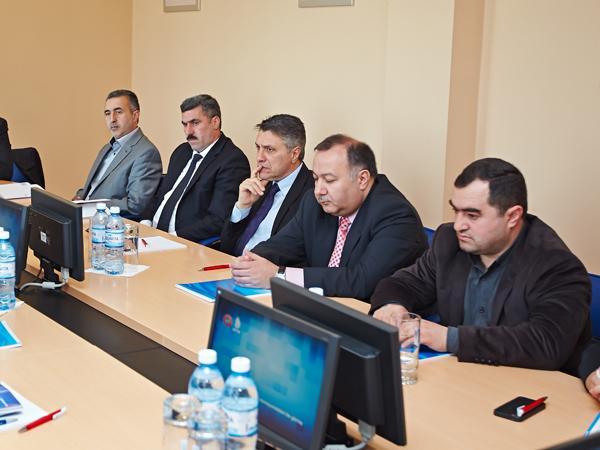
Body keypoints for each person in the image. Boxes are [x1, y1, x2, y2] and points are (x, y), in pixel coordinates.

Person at [371, 158, 591, 373]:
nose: (458, 225)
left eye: (472, 215)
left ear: (513, 216)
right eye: (456, 211)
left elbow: (545, 343)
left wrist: (448, 338)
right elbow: (405, 283)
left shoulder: (556, 265)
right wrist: (392, 306)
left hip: (521, 384)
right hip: (458, 375)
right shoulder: (449, 241)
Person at [230, 134, 427, 301]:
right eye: (316, 179)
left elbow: (361, 282)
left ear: (362, 179)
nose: (319, 190)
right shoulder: (314, 203)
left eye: (329, 180)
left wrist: (279, 275)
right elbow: (281, 246)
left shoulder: (396, 215)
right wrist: (250, 262)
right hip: (320, 306)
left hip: (368, 316)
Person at [142, 94, 250, 242]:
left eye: (195, 123)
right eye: (184, 124)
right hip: (151, 236)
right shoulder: (181, 152)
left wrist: (172, 238)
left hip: (184, 242)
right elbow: (161, 195)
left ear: (215, 122)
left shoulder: (232, 161)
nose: (189, 131)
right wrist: (145, 223)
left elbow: (217, 220)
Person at [220, 114, 314, 256]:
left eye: (269, 149)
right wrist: (243, 207)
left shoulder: (312, 192)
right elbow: (225, 247)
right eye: (258, 147)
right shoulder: (259, 185)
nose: (259, 158)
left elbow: (295, 253)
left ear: (294, 154)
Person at [74, 90, 162, 217]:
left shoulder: (147, 153)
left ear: (135, 115)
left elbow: (135, 205)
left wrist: (91, 207)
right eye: (107, 113)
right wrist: (79, 198)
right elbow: (94, 188)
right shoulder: (106, 148)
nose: (112, 119)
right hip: (83, 216)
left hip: (108, 222)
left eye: (119, 112)